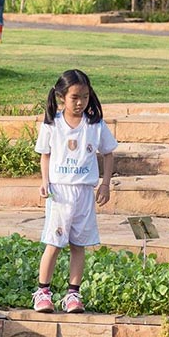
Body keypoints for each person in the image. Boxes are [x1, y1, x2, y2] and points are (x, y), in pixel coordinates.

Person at [32, 70, 117, 314]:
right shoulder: (52, 124)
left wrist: (105, 183)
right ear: (61, 97)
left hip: (84, 192)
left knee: (78, 244)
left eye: (85, 97)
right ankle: (43, 292)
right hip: (60, 193)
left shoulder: (95, 125)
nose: (80, 103)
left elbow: (108, 153)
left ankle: (73, 294)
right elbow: (45, 154)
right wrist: (45, 181)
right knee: (54, 242)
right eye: (75, 98)